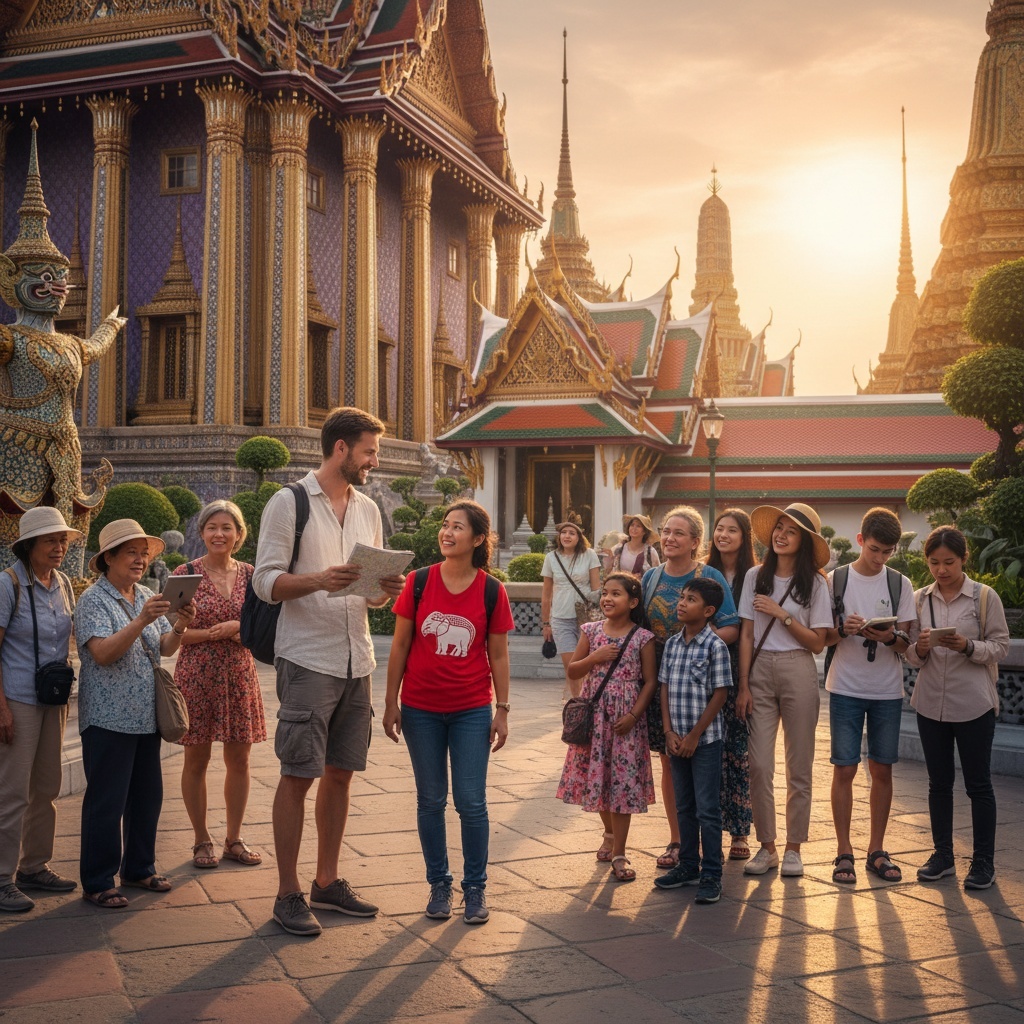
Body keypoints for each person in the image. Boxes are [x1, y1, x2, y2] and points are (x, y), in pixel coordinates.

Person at [253, 406, 406, 937]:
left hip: (355, 656)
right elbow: (265, 583)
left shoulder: (368, 507)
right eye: (369, 451)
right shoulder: (288, 502)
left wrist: (385, 592)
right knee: (299, 772)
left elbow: (371, 599)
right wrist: (319, 579)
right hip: (308, 656)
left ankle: (327, 880)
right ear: (341, 448)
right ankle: (288, 891)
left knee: (341, 773)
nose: (374, 461)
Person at [384, 500, 514, 924]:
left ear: (478, 539)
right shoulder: (419, 583)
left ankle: (474, 889)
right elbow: (400, 645)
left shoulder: (492, 590)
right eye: (445, 525)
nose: (447, 532)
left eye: (457, 527)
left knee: (471, 802)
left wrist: (503, 709)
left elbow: (498, 653)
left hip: (472, 709)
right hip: (420, 708)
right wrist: (390, 701)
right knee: (430, 799)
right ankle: (438, 883)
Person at [75, 519, 196, 908]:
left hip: (145, 716)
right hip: (108, 717)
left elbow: (164, 648)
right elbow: (103, 653)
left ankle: (139, 868)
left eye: (144, 553)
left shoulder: (143, 592)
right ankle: (97, 880)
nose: (140, 560)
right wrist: (141, 619)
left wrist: (179, 624)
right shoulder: (94, 600)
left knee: (147, 797)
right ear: (107, 558)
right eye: (131, 552)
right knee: (107, 802)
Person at [906, 526, 1009, 890]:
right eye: (934, 562)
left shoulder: (984, 597)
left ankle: (983, 861)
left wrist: (967, 646)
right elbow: (911, 658)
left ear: (963, 559)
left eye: (949, 562)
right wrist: (919, 647)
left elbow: (1000, 647)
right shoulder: (920, 599)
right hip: (930, 703)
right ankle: (943, 855)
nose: (941, 570)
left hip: (974, 704)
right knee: (938, 784)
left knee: (979, 785)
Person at [736, 503, 831, 879]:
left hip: (797, 667)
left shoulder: (817, 583)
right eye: (778, 527)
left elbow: (818, 643)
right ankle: (767, 846)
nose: (780, 535)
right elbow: (745, 633)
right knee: (758, 764)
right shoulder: (755, 576)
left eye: (790, 531)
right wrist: (743, 684)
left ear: (804, 541)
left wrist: (781, 613)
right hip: (758, 670)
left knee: (799, 765)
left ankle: (794, 848)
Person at [641, 506, 738, 870]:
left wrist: (695, 644)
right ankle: (679, 841)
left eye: (679, 533)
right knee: (669, 761)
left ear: (696, 542)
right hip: (661, 680)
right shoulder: (650, 577)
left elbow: (731, 626)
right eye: (666, 531)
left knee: (704, 760)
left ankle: (708, 849)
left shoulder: (708, 576)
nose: (669, 538)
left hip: (699, 679)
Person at [173, 500, 266, 870]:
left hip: (239, 674)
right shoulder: (185, 574)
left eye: (227, 527)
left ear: (239, 535)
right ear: (201, 533)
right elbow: (170, 634)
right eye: (212, 527)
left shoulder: (251, 575)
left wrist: (239, 629)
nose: (219, 534)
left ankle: (234, 839)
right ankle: (200, 840)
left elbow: (262, 629)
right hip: (196, 673)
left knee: (240, 760)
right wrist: (213, 633)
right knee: (197, 758)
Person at [824, 508, 915, 885]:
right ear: (860, 541)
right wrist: (843, 630)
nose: (880, 559)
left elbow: (908, 645)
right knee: (844, 767)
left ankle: (876, 849)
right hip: (845, 684)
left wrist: (889, 637)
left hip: (886, 690)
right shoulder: (835, 580)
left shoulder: (900, 585)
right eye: (875, 549)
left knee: (882, 768)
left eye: (887, 552)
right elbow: (822, 637)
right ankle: (843, 850)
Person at [0, 508, 81, 912]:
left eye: (62, 540)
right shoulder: (8, 583)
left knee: (46, 787)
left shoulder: (63, 583)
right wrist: (1, 708)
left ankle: (34, 866)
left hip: (53, 697)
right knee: (12, 791)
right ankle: (1, 878)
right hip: (18, 698)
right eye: (50, 540)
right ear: (29, 545)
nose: (59, 547)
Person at [557, 572, 657, 881]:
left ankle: (620, 853)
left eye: (616, 594)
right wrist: (596, 656)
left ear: (633, 601)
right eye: (605, 593)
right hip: (596, 718)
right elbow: (573, 669)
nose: (608, 599)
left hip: (626, 721)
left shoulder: (642, 637)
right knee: (597, 777)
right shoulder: (591, 630)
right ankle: (609, 833)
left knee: (622, 783)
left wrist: (634, 716)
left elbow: (650, 682)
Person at [654, 577, 733, 904]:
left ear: (709, 610)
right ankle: (689, 865)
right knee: (684, 805)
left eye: (691, 599)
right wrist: (670, 732)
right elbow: (664, 688)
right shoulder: (672, 644)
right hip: (676, 740)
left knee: (707, 809)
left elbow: (720, 693)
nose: (681, 603)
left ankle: (712, 873)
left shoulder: (715, 646)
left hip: (705, 741)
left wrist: (694, 736)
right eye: (682, 597)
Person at [705, 508, 756, 861]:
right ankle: (702, 833)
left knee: (738, 752)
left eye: (732, 530)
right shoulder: (702, 573)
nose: (723, 535)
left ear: (744, 537)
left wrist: (746, 683)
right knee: (706, 752)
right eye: (719, 529)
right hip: (703, 670)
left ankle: (739, 831)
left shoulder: (754, 575)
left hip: (739, 668)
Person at [541, 517, 601, 699]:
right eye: (563, 533)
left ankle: (590, 699)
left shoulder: (589, 554)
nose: (567, 536)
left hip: (586, 619)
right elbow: (546, 594)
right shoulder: (551, 558)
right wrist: (546, 623)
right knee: (572, 665)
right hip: (560, 617)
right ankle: (578, 704)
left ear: (579, 537)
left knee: (588, 663)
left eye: (571, 533)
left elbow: (596, 590)